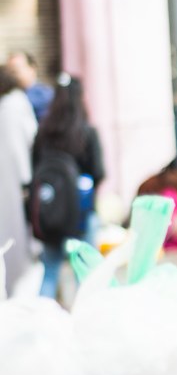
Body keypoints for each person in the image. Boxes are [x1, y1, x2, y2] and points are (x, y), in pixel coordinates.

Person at [31, 73, 105, 299]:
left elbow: (34, 170)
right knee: (84, 274)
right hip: (82, 214)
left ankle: (41, 325)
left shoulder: (43, 133)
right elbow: (99, 172)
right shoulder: (86, 132)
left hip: (51, 215)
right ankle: (85, 325)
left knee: (50, 271)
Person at [0, 65, 37, 295]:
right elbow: (25, 143)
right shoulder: (15, 104)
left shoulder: (8, 105)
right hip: (17, 181)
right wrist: (27, 180)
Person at [7, 50, 54, 123]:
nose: (12, 74)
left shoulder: (43, 94)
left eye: (16, 70)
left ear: (32, 68)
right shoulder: (13, 94)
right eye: (9, 71)